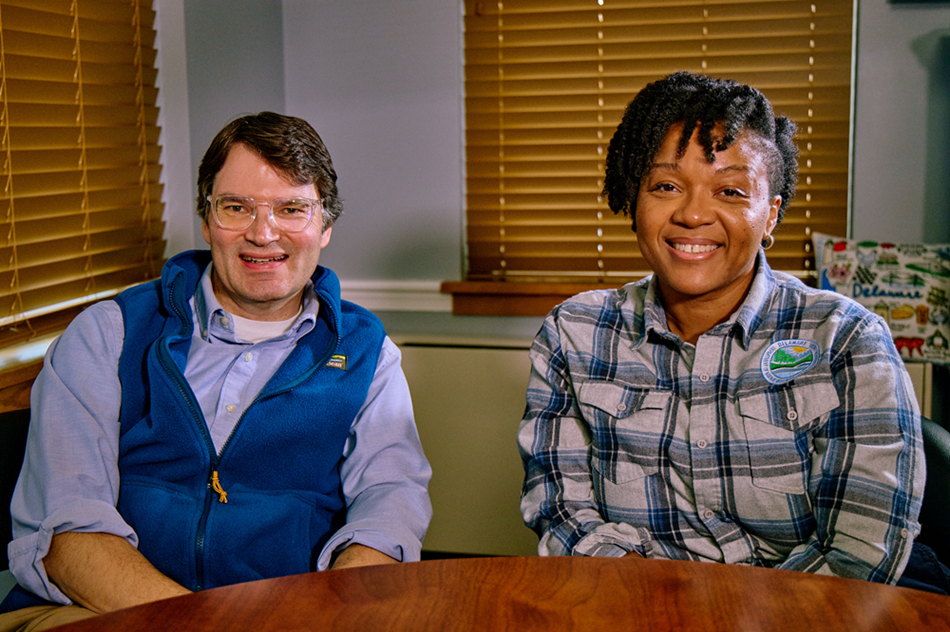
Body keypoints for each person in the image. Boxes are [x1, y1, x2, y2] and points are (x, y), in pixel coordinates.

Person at [0, 112, 432, 628]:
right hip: (97, 610)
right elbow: (68, 536)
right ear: (208, 221)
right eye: (236, 207)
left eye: (292, 208)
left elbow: (388, 510)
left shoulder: (367, 354)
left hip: (288, 617)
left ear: (325, 225)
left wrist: (332, 614)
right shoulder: (107, 334)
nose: (263, 233)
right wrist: (206, 625)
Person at [518, 71, 942, 590]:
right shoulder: (572, 333)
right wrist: (654, 609)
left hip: (813, 614)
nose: (694, 213)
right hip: (637, 606)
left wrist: (735, 618)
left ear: (770, 215)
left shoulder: (846, 340)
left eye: (732, 190)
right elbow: (562, 512)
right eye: (667, 186)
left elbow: (860, 551)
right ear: (635, 199)